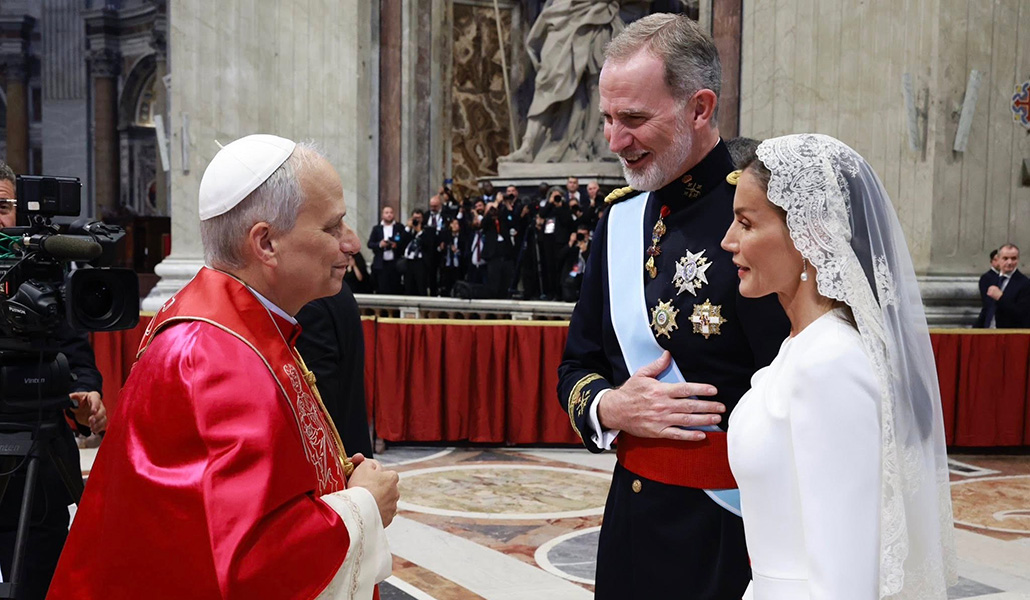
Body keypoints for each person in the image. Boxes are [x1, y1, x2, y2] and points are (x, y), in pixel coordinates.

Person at [49, 135, 399, 599]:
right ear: (266, 242)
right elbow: (254, 567)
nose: (352, 242)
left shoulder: (239, 325)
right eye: (332, 227)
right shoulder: (216, 358)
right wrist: (364, 505)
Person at [556, 14, 788, 599]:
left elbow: (801, 384)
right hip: (633, 525)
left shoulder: (764, 216)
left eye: (634, 119)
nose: (614, 141)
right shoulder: (619, 220)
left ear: (700, 108)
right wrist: (610, 405)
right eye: (607, 118)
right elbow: (577, 364)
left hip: (733, 532)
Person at [722, 133, 956, 599]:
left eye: (746, 223)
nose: (728, 240)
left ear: (808, 235)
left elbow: (845, 578)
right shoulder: (801, 347)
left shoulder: (830, 362)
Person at [0, 161, 108, 600]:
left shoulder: (44, 273)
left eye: (3, 206)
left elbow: (77, 354)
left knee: (39, 577)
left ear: (20, 210)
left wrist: (88, 393)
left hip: (38, 453)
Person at [296, 281, 375, 459]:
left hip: (330, 456)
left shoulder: (307, 302)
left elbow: (318, 401)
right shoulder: (337, 288)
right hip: (350, 443)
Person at [986, 244, 1030, 328]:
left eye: (1013, 258)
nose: (1009, 262)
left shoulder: (1025, 283)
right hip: (989, 331)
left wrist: (1001, 298)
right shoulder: (992, 279)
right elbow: (987, 309)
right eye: (1005, 258)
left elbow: (1022, 313)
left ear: (1018, 260)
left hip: (1010, 332)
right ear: (998, 259)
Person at [367, 205, 406, 294]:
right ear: (382, 215)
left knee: (395, 286)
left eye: (391, 213)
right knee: (382, 287)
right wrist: (380, 244)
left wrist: (396, 245)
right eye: (386, 213)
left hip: (395, 262)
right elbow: (370, 244)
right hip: (381, 263)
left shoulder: (399, 227)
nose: (389, 215)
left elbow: (404, 241)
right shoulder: (377, 228)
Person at [975, 249, 1001, 328]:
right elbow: (987, 301)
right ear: (991, 261)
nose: (998, 263)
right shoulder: (986, 277)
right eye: (996, 260)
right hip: (992, 315)